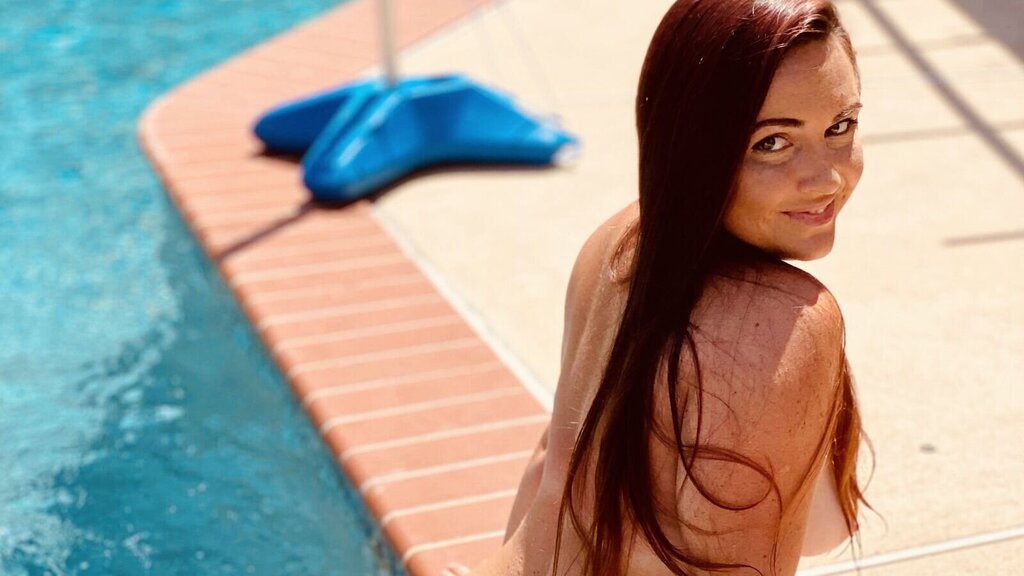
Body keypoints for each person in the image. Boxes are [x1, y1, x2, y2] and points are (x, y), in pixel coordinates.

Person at [447, 0, 870, 573]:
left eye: (840, 127)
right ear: (693, 146)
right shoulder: (773, 326)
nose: (826, 177)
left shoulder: (620, 244)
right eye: (771, 143)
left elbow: (551, 471)